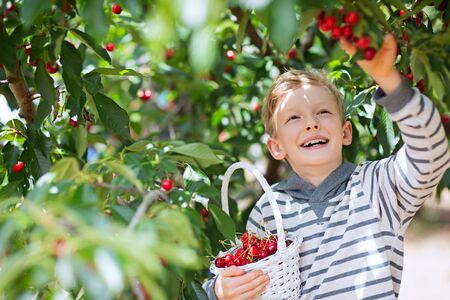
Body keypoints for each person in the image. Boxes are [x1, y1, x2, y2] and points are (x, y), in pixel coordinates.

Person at [203, 33, 450, 299]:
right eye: (294, 117)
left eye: (323, 112)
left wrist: (389, 79)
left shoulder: (378, 187)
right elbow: (242, 271)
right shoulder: (269, 209)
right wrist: (219, 290)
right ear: (276, 147)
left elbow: (431, 150)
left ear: (345, 133)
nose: (311, 123)